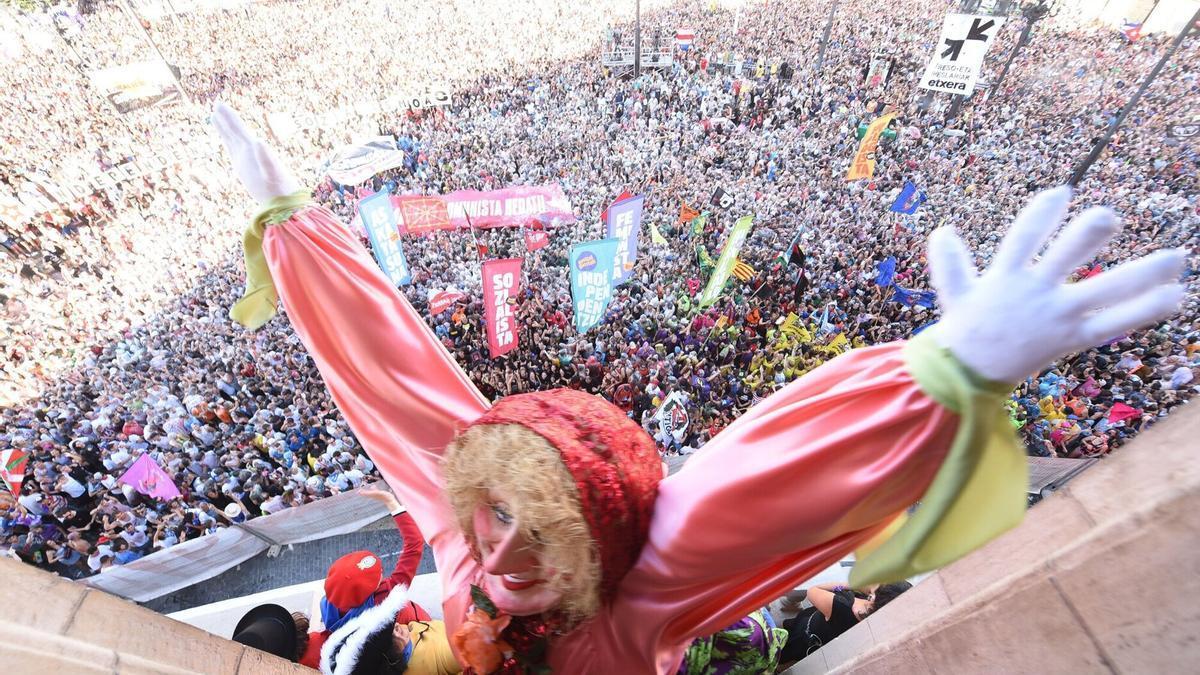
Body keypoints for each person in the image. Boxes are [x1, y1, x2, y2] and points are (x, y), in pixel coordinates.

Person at [212, 103, 1184, 674]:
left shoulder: (632, 589)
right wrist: (293, 229)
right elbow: (397, 379)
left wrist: (945, 372)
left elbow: (768, 485)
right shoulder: (492, 538)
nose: (500, 542)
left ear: (597, 537)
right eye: (496, 512)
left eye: (535, 527)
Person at [299, 486, 434, 668]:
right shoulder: (385, 596)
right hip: (413, 622)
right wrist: (390, 502)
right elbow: (414, 544)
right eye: (377, 575)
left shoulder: (329, 608)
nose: (381, 573)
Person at [777, 581, 911, 665]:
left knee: (784, 646)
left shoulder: (843, 607)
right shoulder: (875, 619)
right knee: (793, 625)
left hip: (807, 633)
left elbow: (813, 591)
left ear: (877, 597)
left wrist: (850, 585)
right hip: (822, 630)